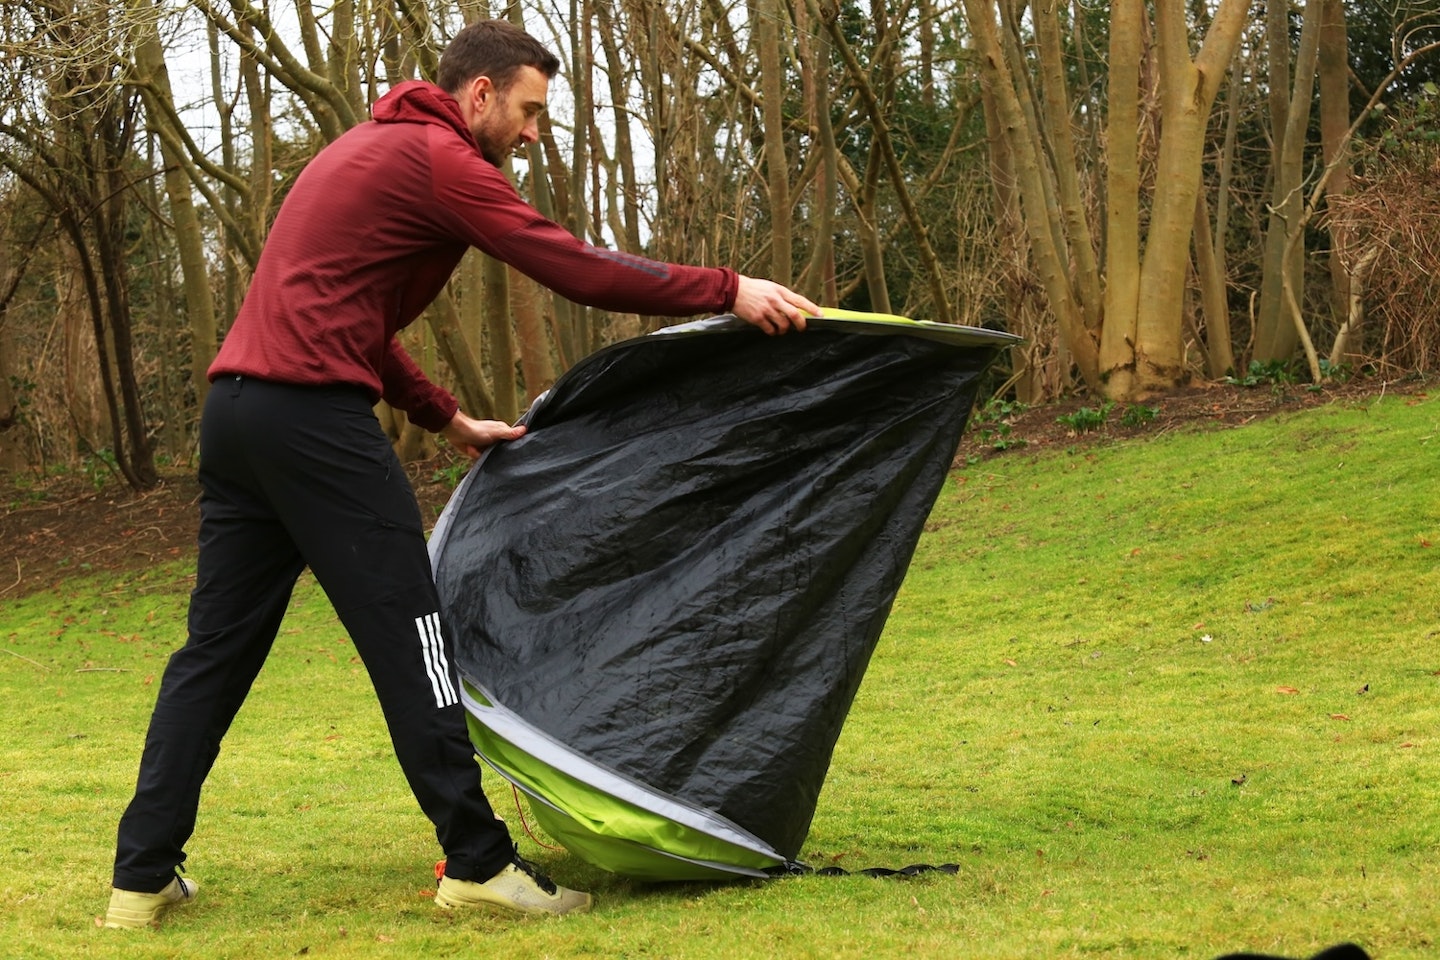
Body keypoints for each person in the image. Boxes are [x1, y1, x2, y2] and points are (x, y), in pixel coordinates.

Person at [104, 18, 821, 930]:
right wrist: (726, 288)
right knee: (416, 642)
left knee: (212, 655)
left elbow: (346, 317)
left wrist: (443, 416)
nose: (533, 135)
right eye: (526, 113)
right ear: (478, 94)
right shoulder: (440, 162)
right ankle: (478, 863)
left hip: (239, 416)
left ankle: (141, 877)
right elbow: (575, 268)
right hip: (316, 428)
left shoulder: (359, 151)